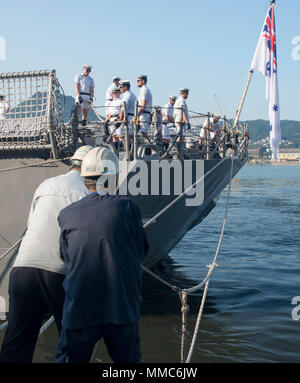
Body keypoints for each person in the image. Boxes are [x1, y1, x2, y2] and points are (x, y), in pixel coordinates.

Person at [54, 147, 149, 363]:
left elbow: (66, 257)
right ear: (111, 177)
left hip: (79, 309)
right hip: (121, 308)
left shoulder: (67, 214)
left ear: (85, 178)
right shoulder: (128, 208)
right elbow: (142, 250)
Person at [0, 146, 93, 363]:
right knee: (73, 340)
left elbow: (31, 224)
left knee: (17, 341)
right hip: (61, 272)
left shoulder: (47, 184)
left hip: (23, 269)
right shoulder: (89, 193)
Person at [173, 88, 190, 158]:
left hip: (179, 120)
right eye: (187, 94)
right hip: (181, 121)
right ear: (183, 93)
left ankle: (179, 150)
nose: (187, 96)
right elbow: (182, 112)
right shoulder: (181, 101)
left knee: (181, 136)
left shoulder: (178, 101)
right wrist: (187, 122)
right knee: (181, 136)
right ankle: (176, 149)